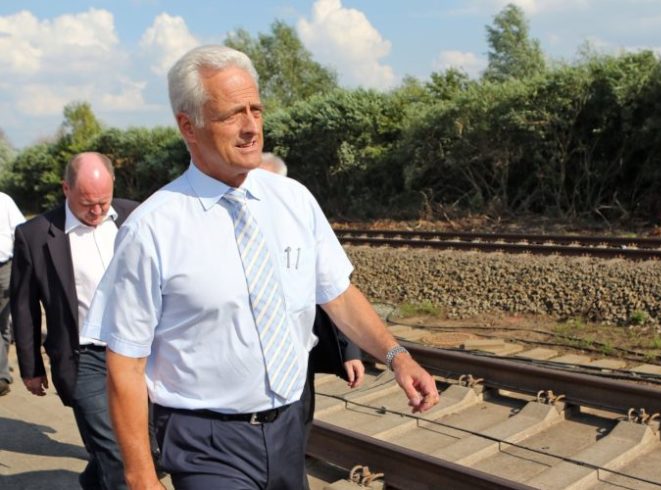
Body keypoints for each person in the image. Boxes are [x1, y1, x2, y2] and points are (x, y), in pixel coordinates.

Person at [82, 45, 439, 490]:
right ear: (187, 126)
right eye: (233, 114)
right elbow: (125, 364)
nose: (251, 127)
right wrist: (141, 478)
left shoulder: (293, 201)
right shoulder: (153, 229)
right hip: (206, 440)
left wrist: (396, 356)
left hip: (290, 426)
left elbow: (338, 295)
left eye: (256, 109)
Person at [11, 152, 138, 490]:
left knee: (143, 444)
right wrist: (30, 366)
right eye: (87, 203)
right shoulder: (36, 234)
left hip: (138, 353)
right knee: (119, 450)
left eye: (103, 202)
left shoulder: (136, 216)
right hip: (83, 359)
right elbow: (24, 305)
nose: (96, 212)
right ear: (66, 188)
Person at [258, 152, 366, 445]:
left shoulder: (302, 224)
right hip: (249, 368)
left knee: (296, 437)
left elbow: (336, 293)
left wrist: (349, 351)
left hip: (297, 359)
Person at [0, 191, 25, 397]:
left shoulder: (4, 201)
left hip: (4, 268)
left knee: (3, 321)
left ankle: (2, 371)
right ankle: (2, 372)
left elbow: (21, 232)